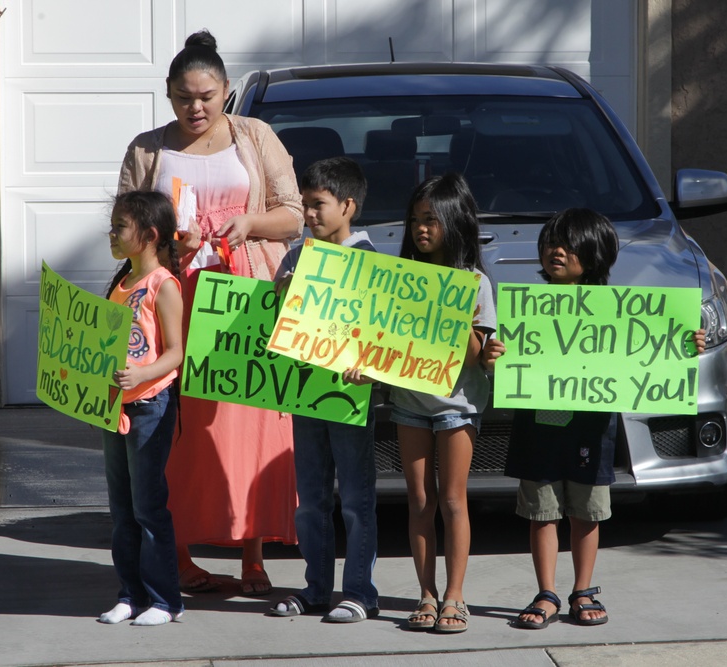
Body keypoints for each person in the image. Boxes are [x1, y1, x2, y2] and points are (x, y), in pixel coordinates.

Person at [117, 29, 304, 596]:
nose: (195, 108)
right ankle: (177, 560)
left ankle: (253, 557)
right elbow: (127, 228)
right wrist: (171, 242)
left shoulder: (255, 134)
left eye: (206, 95)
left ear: (225, 89)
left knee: (249, 425)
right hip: (171, 300)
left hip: (243, 296)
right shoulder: (147, 148)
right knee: (174, 430)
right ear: (168, 94)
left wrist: (246, 224)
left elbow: (293, 214)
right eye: (182, 97)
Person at [482, 207, 706, 630]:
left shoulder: (618, 311)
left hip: (590, 428)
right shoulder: (527, 310)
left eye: (567, 244)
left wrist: (683, 345)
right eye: (549, 243)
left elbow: (653, 352)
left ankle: (582, 589)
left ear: (596, 254)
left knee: (587, 512)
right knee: (541, 512)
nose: (555, 251)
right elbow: (501, 365)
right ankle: (546, 592)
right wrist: (493, 357)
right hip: (538, 428)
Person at [268, 157, 380, 623]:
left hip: (349, 400)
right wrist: (282, 296)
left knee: (355, 499)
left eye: (319, 206)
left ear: (348, 206)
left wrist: (370, 367)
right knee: (310, 499)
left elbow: (385, 335)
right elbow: (271, 326)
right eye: (306, 206)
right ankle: (316, 587)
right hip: (305, 395)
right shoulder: (295, 257)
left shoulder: (373, 263)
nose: (309, 215)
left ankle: (359, 592)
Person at [393, 172, 495, 634]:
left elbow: (477, 358)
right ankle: (426, 594)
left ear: (455, 223)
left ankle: (455, 595)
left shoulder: (475, 283)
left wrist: (452, 306)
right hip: (409, 400)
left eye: (431, 219)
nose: (421, 228)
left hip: (457, 404)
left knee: (453, 499)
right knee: (419, 499)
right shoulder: (397, 280)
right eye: (415, 220)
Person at [98, 190, 184, 626]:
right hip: (116, 409)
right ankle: (129, 594)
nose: (111, 233)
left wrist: (142, 376)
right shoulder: (120, 284)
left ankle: (165, 601)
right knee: (121, 508)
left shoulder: (163, 285)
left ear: (150, 236)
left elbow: (175, 354)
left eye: (120, 227)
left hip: (150, 406)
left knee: (149, 506)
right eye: (113, 225)